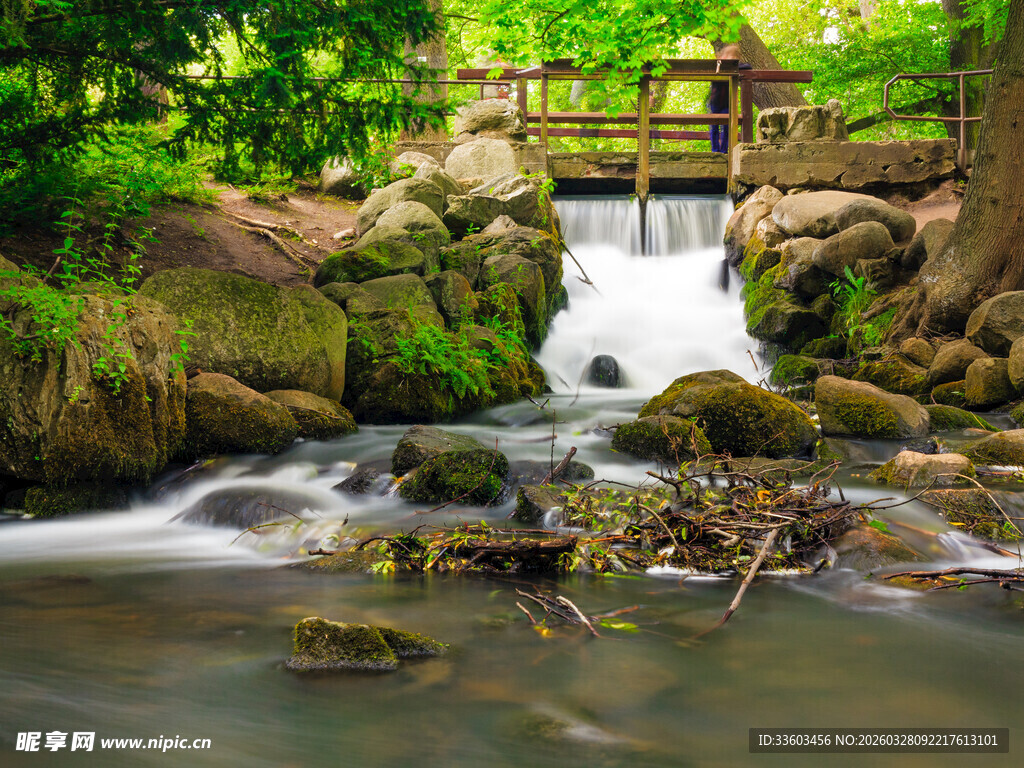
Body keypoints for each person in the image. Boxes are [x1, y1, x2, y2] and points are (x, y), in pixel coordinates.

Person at [707, 45, 750, 153]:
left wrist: (734, 65)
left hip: (727, 103)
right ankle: (715, 149)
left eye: (732, 56)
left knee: (727, 126)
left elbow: (748, 67)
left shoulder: (737, 67)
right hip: (715, 103)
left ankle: (724, 150)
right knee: (714, 126)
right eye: (727, 55)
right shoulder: (716, 66)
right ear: (722, 56)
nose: (729, 58)